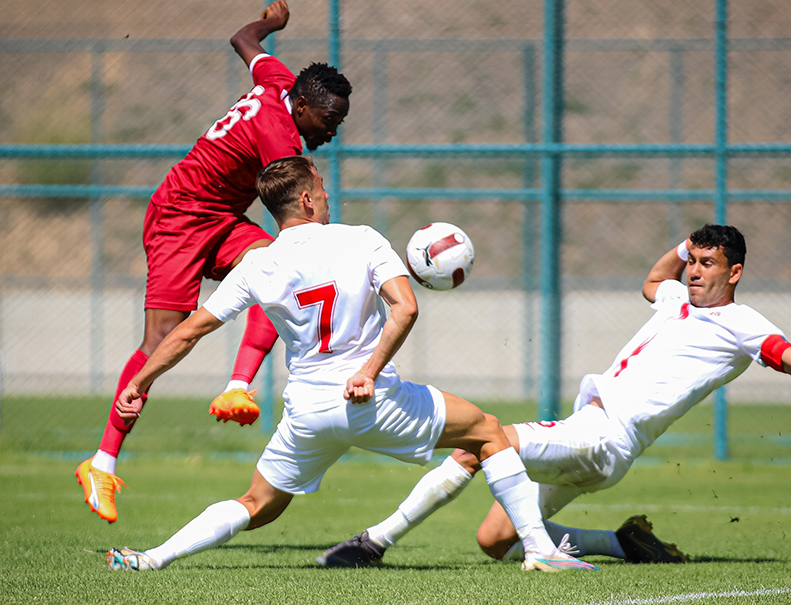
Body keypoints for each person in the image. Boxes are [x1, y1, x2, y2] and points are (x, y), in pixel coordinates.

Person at [316, 223, 791, 567]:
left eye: (708, 263)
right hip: (592, 438)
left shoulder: (744, 324)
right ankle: (623, 543)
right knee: (494, 542)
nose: (694, 272)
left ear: (735, 272)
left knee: (482, 438)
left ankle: (375, 541)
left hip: (604, 437)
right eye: (693, 260)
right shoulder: (675, 295)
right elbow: (653, 279)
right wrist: (680, 242)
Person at [105, 156, 598, 573]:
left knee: (257, 505)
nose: (325, 191)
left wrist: (140, 382)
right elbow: (406, 308)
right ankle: (539, 549)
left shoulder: (257, 265)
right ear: (304, 200)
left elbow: (188, 329)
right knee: (489, 431)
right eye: (319, 185)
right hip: (372, 400)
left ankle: (151, 558)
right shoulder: (361, 238)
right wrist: (367, 371)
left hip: (308, 412)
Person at [75, 0, 353, 524]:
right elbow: (295, 210)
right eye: (330, 119)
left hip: (221, 217)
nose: (333, 129)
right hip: (179, 217)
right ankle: (102, 462)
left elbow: (243, 41)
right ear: (304, 106)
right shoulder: (281, 140)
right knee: (161, 342)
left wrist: (269, 26)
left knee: (276, 269)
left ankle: (236, 386)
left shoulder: (279, 80)